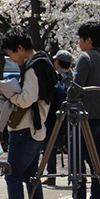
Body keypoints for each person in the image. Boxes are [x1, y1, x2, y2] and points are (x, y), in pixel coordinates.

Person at [0, 30, 55, 199]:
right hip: (38, 128)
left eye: (11, 54)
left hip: (25, 129)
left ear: (20, 49)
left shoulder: (31, 67)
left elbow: (27, 99)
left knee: (12, 174)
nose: (11, 59)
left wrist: (7, 93)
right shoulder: (44, 62)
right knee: (30, 175)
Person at [56, 22, 100, 199]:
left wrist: (66, 81)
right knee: (96, 160)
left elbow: (76, 89)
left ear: (88, 40)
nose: (79, 42)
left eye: (81, 38)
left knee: (77, 158)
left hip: (83, 117)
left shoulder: (85, 58)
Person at [42, 50, 72, 185]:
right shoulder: (73, 78)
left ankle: (51, 175)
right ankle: (75, 175)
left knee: (51, 147)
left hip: (54, 117)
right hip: (72, 117)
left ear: (58, 62)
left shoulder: (55, 78)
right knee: (73, 146)